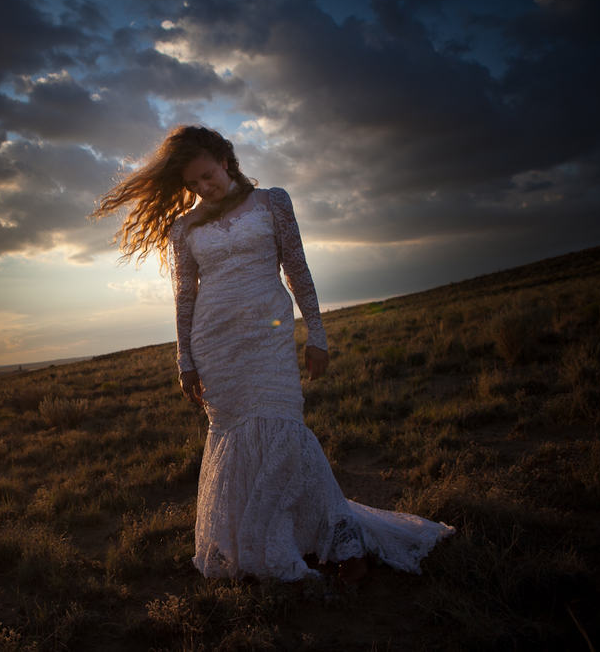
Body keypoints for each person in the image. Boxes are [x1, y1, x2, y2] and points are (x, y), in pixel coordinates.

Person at [94, 125, 453, 585]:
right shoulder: (182, 229)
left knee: (287, 432)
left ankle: (344, 543)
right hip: (215, 346)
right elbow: (185, 297)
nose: (203, 188)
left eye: (207, 175)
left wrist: (317, 333)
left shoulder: (272, 202)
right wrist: (185, 361)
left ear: (225, 159)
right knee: (237, 442)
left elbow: (297, 269)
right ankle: (259, 547)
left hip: (269, 339)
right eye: (192, 184)